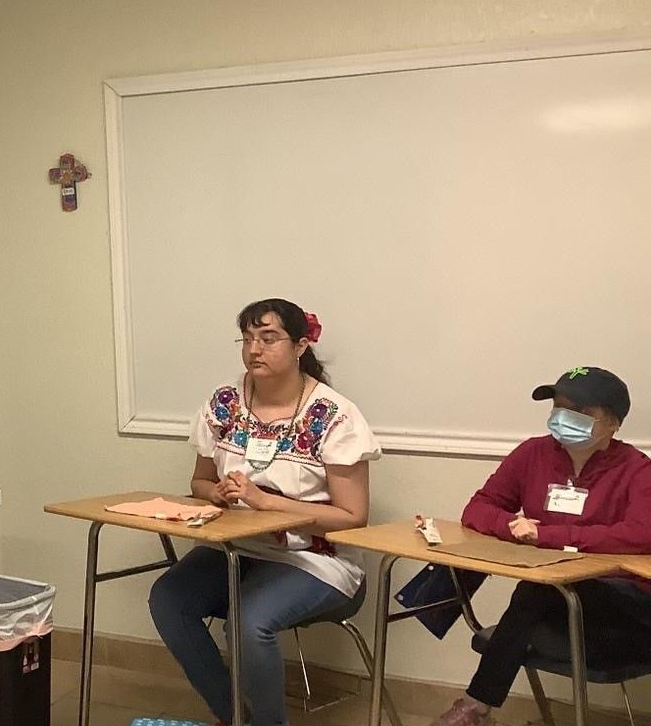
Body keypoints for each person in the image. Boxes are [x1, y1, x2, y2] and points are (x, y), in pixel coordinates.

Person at [148, 298, 381, 726]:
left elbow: (352, 516)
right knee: (168, 598)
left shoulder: (334, 415)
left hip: (315, 559)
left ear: (301, 346)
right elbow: (197, 483)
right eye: (248, 338)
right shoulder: (224, 403)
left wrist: (267, 500)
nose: (255, 349)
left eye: (269, 338)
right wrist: (215, 493)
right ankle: (236, 716)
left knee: (248, 619)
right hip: (240, 548)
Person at [430, 367, 651, 726]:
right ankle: (477, 708)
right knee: (537, 597)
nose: (564, 418)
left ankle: (475, 707)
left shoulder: (636, 469)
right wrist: (511, 527)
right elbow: (479, 508)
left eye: (580, 412)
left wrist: (549, 536)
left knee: (535, 593)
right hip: (559, 600)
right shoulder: (532, 453)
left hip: (625, 603)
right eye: (559, 407)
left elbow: (641, 535)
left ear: (612, 423)